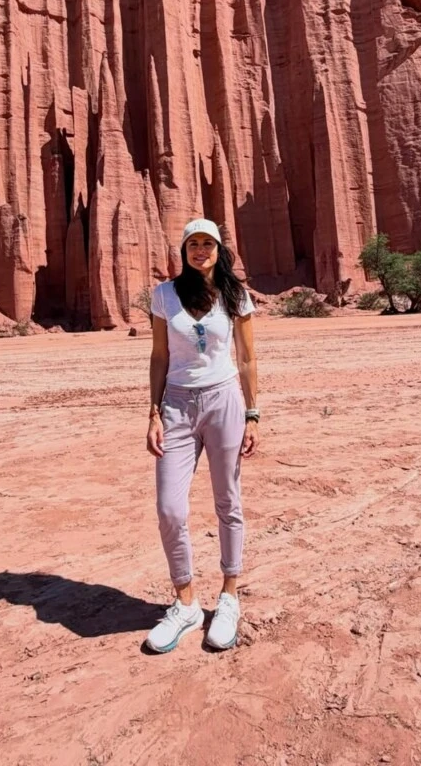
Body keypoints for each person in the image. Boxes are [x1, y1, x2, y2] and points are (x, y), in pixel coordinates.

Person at [145, 218, 259, 653]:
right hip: (175, 404)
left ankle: (229, 594)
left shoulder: (235, 295)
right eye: (192, 244)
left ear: (218, 249)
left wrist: (253, 413)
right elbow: (159, 356)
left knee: (227, 500)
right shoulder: (163, 294)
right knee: (170, 508)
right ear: (183, 250)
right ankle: (186, 603)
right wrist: (153, 411)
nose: (199, 250)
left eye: (206, 244)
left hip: (224, 400)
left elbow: (247, 358)